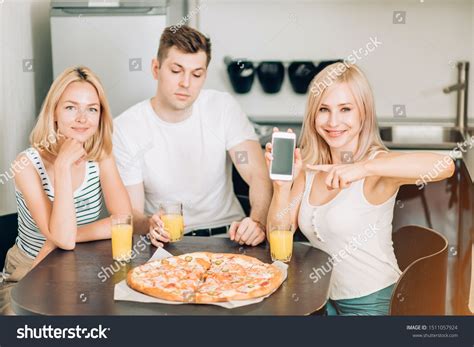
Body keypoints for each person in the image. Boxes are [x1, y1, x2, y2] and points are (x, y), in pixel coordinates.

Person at [265, 63, 455, 315]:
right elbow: (279, 236)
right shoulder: (310, 168)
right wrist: (281, 188)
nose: (333, 121)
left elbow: (445, 165)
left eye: (345, 109)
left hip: (373, 304)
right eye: (324, 109)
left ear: (363, 113)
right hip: (322, 299)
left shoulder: (377, 168)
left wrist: (363, 168)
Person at [113, 25, 272, 248]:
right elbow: (132, 213)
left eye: (196, 74)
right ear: (156, 68)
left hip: (229, 238)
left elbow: (258, 175)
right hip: (168, 243)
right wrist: (149, 224)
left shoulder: (223, 107)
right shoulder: (126, 127)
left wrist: (258, 222)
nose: (186, 83)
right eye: (176, 71)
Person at [0, 66, 132, 315]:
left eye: (92, 109)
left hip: (81, 266)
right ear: (54, 112)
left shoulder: (101, 155)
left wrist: (66, 238)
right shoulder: (26, 165)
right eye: (71, 107)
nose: (82, 118)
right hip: (28, 272)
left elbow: (123, 222)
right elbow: (63, 238)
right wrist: (62, 166)